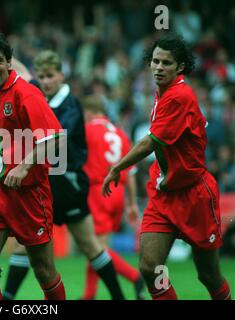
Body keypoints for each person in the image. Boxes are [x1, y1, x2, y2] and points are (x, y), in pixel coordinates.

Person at [102, 33, 231, 300]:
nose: (159, 67)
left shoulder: (179, 96)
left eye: (167, 63)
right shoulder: (163, 94)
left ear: (180, 67)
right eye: (155, 61)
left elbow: (149, 143)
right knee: (150, 267)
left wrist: (117, 167)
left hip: (194, 194)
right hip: (164, 193)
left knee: (208, 275)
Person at [2, 50, 125, 300]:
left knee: (90, 245)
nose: (45, 81)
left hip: (67, 183)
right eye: (42, 77)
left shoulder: (70, 105)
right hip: (43, 182)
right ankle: (6, 299)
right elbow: (24, 74)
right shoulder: (38, 93)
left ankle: (119, 297)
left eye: (50, 76)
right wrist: (3, 54)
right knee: (22, 245)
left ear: (61, 75)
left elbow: (55, 138)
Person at [0, 31, 66, 300]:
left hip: (29, 194)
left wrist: (24, 166)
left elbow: (56, 138)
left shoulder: (27, 94)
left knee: (43, 269)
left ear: (8, 62)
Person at [81, 95, 145, 300]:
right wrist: (132, 203)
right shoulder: (120, 133)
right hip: (118, 192)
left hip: (99, 190)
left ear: (90, 112)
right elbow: (132, 171)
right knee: (98, 246)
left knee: (95, 248)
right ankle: (89, 295)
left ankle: (135, 277)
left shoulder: (88, 130)